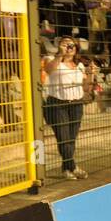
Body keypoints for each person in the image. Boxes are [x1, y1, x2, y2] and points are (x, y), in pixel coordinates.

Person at [41, 38, 93, 179]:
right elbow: (48, 70)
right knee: (63, 138)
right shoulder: (51, 59)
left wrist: (91, 74)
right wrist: (60, 54)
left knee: (71, 138)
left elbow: (86, 88)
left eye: (71, 45)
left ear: (76, 48)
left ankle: (66, 169)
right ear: (59, 46)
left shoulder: (79, 65)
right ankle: (73, 167)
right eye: (65, 43)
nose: (69, 47)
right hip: (57, 104)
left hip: (76, 104)